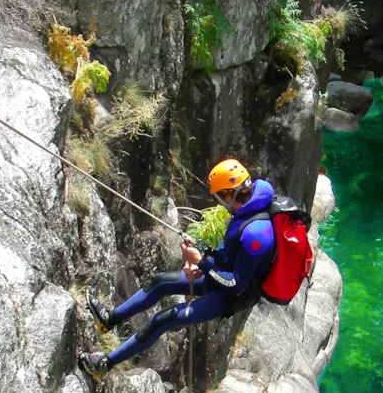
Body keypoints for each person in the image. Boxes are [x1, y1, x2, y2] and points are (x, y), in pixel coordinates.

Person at [78, 158, 276, 377]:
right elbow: (228, 250)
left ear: (230, 194)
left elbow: (234, 284)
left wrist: (201, 262)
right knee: (160, 282)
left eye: (220, 196)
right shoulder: (245, 210)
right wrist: (204, 262)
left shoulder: (258, 233)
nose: (219, 202)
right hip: (220, 275)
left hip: (229, 296)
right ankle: (109, 319)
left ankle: (104, 364)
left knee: (163, 319)